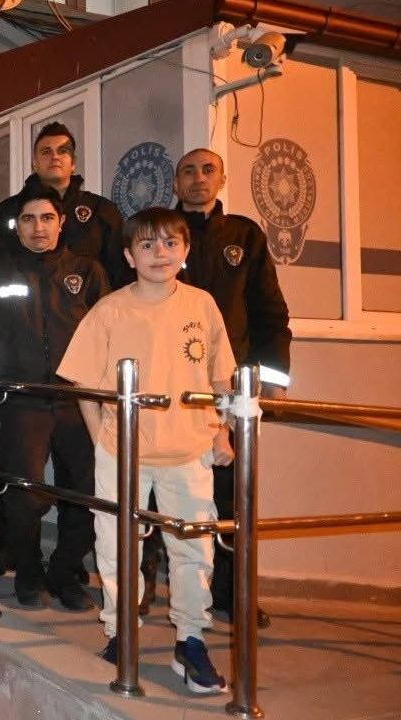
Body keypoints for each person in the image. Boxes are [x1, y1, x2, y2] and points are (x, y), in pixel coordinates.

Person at [58, 207, 235, 694]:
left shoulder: (202, 305)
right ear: (129, 255)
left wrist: (222, 433)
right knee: (117, 546)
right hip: (123, 451)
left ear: (186, 250)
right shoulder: (109, 309)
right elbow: (83, 384)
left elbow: (221, 378)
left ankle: (191, 640)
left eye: (171, 243)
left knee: (194, 548)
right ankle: (121, 631)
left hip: (189, 448)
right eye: (148, 245)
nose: (160, 253)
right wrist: (101, 439)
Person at [0, 189, 110, 611]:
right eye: (28, 219)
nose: (38, 227)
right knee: (24, 497)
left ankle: (65, 571)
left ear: (61, 223)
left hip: (78, 401)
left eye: (46, 218)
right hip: (20, 401)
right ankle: (29, 572)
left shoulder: (87, 271)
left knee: (89, 490)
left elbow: (111, 332)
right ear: (16, 225)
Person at [171, 148, 290, 629]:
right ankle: (152, 587)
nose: (198, 178)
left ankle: (234, 592)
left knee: (233, 496)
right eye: (188, 171)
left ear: (221, 179)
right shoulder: (161, 233)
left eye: (207, 170)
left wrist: (272, 381)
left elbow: (269, 312)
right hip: (171, 387)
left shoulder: (244, 236)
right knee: (159, 491)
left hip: (230, 389)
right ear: (175, 182)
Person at [0, 123, 127, 286]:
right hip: (21, 300)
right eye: (46, 152)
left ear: (73, 163)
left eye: (62, 151)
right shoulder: (6, 212)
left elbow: (120, 274)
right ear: (34, 163)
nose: (55, 157)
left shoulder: (101, 210)